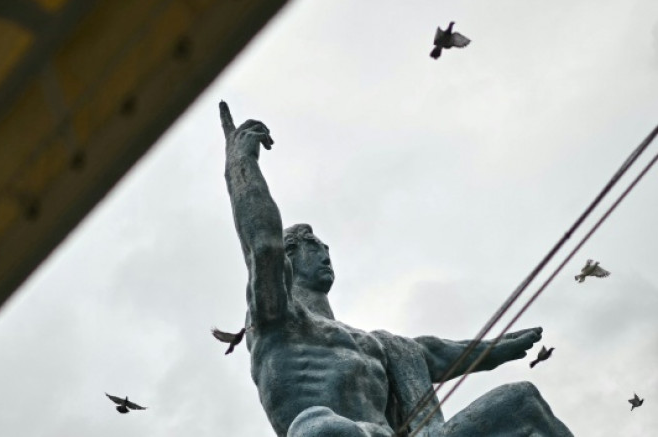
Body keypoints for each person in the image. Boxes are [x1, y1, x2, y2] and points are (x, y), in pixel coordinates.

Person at [219, 102, 572, 437]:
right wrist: (240, 165)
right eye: (314, 246)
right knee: (320, 425)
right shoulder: (276, 319)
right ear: (290, 256)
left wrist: (495, 348)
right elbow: (264, 245)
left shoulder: (375, 345)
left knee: (523, 399)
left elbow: (433, 353)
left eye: (326, 247)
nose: (326, 252)